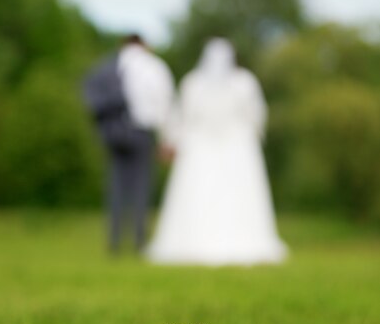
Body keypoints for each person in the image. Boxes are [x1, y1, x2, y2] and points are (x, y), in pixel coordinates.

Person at [146, 38, 287, 265]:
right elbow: (256, 116)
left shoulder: (192, 83)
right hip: (234, 148)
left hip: (203, 147)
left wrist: (172, 140)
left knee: (202, 191)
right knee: (231, 194)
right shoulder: (244, 82)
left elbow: (181, 119)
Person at [84, 34, 174, 251]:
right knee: (141, 186)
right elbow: (164, 103)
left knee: (116, 186)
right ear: (144, 45)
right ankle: (139, 240)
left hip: (114, 132)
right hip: (141, 133)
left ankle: (114, 240)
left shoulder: (108, 66)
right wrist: (166, 138)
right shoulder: (154, 68)